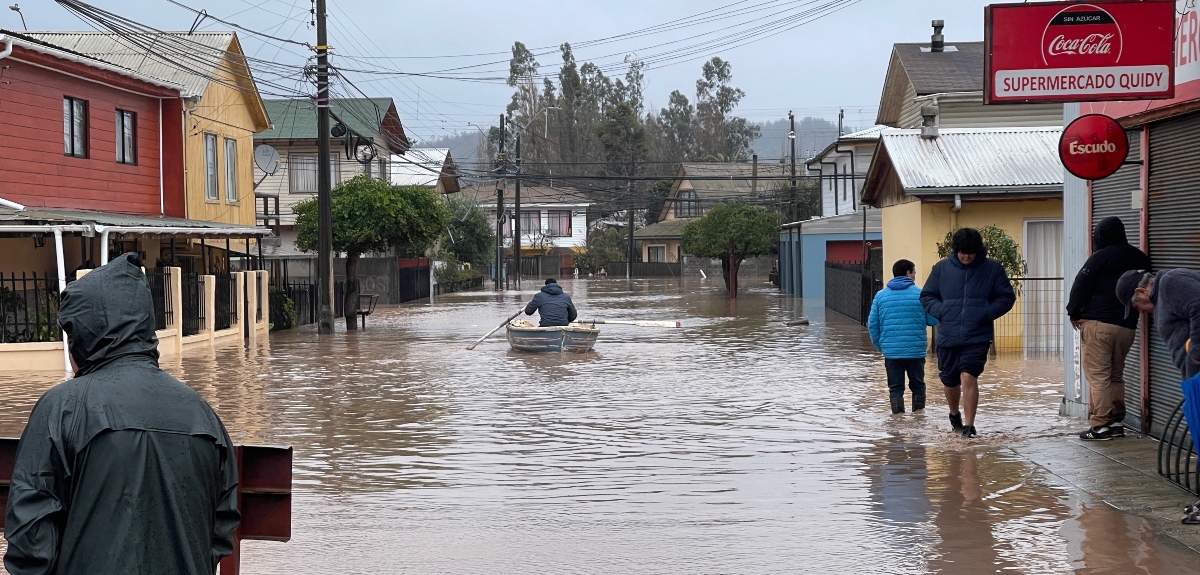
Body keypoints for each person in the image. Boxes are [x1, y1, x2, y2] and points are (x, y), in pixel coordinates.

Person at [4, 253, 240, 575]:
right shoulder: (204, 415)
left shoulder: (61, 408)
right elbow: (219, 532)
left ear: (82, 337)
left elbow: (30, 541)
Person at [920, 228, 1016, 439]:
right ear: (955, 250)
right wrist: (941, 311)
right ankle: (955, 414)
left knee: (968, 376)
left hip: (977, 334)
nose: (966, 256)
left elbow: (1006, 297)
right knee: (950, 381)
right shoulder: (941, 268)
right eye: (962, 252)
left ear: (978, 251)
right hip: (948, 334)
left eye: (970, 253)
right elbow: (927, 296)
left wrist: (986, 312)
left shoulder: (992, 269)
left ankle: (969, 427)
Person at [1066, 217, 1151, 441]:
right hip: (1127, 327)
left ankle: (1100, 426)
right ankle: (1116, 422)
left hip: (1098, 326)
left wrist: (1073, 313)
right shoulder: (1140, 257)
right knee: (1116, 375)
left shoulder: (1099, 257)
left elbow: (1080, 285)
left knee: (1099, 377)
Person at [868, 259, 938, 414]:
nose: (914, 276)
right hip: (916, 352)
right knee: (918, 386)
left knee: (895, 388)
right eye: (914, 273)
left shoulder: (880, 296)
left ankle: (897, 424)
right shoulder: (921, 294)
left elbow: (872, 325)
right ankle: (919, 420)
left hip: (891, 353)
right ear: (908, 273)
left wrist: (881, 346)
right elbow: (933, 320)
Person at [1117, 268, 1200, 380]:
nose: (1141, 311)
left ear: (1141, 292)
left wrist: (1196, 353)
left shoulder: (1170, 282)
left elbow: (1198, 307)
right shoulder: (1159, 302)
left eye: (1136, 306)